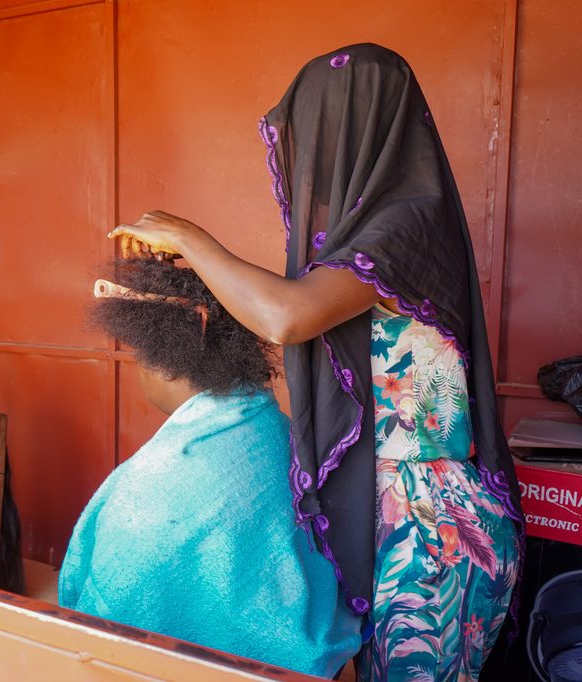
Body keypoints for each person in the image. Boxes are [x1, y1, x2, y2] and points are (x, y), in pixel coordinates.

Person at [109, 43, 523, 681]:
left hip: (433, 528)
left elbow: (287, 315)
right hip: (393, 512)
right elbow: (290, 305)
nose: (311, 161)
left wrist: (191, 237)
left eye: (320, 133)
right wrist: (201, 269)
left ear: (365, 127)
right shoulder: (372, 235)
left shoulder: (407, 223)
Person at [57, 259, 362, 678]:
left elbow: (106, 611)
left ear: (163, 355)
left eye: (138, 355)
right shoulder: (275, 429)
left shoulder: (149, 494)